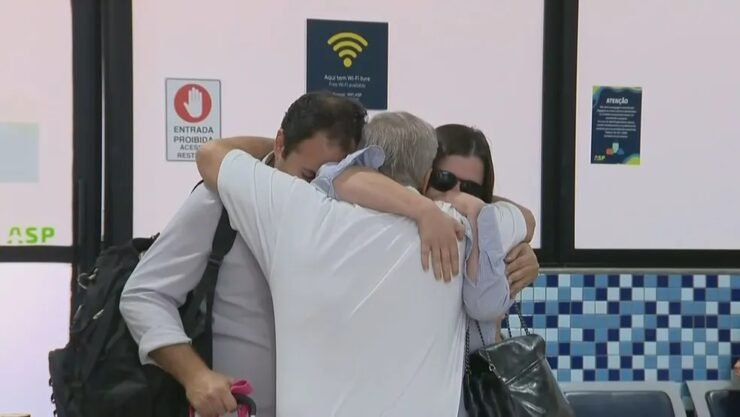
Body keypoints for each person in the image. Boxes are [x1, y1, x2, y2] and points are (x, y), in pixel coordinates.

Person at [121, 94, 463, 417]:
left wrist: (424, 210)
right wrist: (195, 376)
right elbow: (144, 294)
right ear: (281, 144)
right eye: (310, 177)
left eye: (337, 177)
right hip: (233, 408)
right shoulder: (220, 202)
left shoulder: (353, 217)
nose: (317, 192)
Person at [195, 111, 535, 416]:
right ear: (426, 178)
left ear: (358, 159)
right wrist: (444, 205)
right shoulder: (458, 230)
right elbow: (526, 220)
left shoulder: (296, 209)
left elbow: (211, 155)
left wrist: (285, 145)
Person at [314, 123, 538, 416]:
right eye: (445, 180)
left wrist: (483, 218)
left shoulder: (486, 225)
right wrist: (424, 210)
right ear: (425, 175)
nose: (455, 194)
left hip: (476, 396)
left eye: (470, 188)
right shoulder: (390, 224)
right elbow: (333, 178)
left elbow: (526, 220)